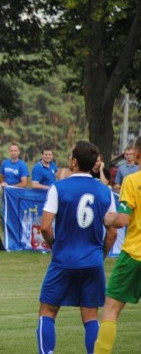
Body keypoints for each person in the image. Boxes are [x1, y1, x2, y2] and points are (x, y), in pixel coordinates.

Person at [36, 141, 118, 354]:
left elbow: (45, 227)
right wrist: (101, 255)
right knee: (90, 316)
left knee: (47, 311)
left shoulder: (58, 188)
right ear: (93, 165)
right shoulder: (105, 192)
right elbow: (112, 233)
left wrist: (55, 246)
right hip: (92, 262)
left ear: (73, 161)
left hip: (63, 259)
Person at [94, 135, 141, 353]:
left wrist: (108, 219)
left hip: (134, 254)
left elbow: (122, 221)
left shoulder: (133, 181)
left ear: (137, 154)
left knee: (111, 309)